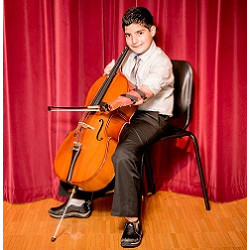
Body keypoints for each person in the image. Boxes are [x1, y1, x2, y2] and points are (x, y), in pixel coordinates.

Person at [49, 6, 174, 248]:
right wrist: (112, 72)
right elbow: (118, 81)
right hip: (123, 114)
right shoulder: (127, 56)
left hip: (151, 116)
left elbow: (143, 92)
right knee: (82, 140)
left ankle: (133, 221)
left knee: (124, 153)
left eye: (140, 33)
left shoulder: (162, 63)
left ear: (153, 30)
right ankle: (80, 199)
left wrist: (115, 101)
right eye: (128, 35)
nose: (133, 40)